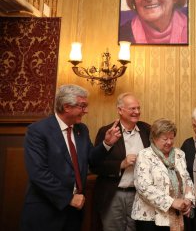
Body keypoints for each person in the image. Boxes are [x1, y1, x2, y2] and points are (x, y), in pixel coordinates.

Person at [21, 84, 121, 231]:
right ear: (67, 107)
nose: (86, 111)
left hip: (74, 211)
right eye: (82, 106)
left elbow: (91, 159)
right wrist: (68, 198)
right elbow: (38, 173)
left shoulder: (82, 129)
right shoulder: (38, 131)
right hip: (46, 210)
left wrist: (106, 144)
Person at [90, 92, 151, 231]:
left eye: (138, 108)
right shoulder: (107, 131)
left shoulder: (146, 129)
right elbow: (95, 165)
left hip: (140, 195)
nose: (137, 112)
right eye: (132, 109)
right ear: (120, 110)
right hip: (113, 194)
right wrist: (121, 164)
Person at [131, 118, 195, 231]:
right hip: (149, 218)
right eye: (165, 139)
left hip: (176, 214)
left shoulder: (179, 154)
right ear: (154, 138)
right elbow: (143, 187)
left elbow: (187, 178)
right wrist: (172, 202)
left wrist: (188, 200)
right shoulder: (145, 155)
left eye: (171, 138)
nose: (169, 142)